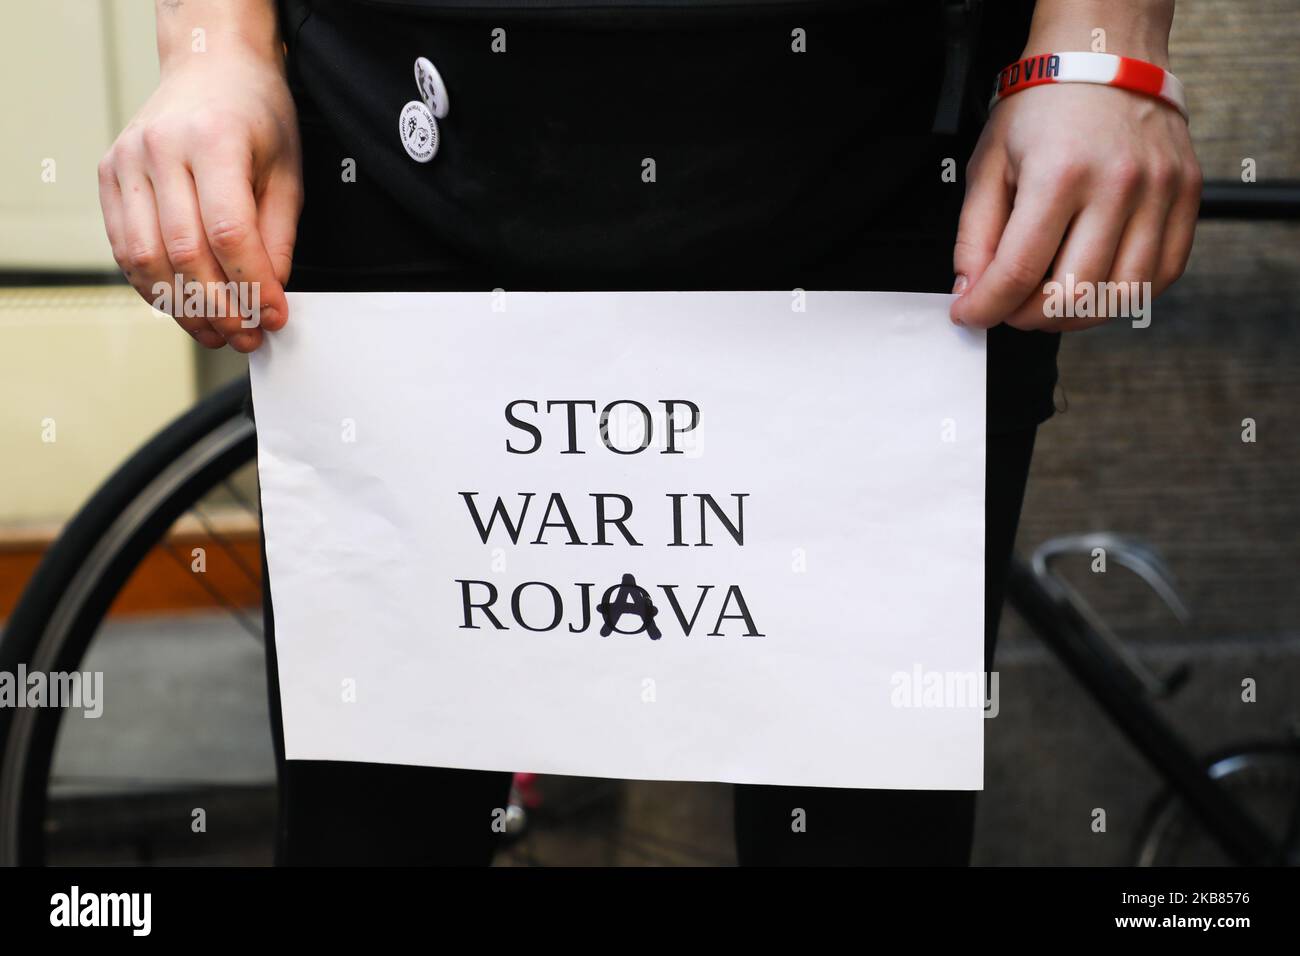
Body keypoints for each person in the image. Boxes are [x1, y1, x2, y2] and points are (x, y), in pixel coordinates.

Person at [98, 0, 1201, 865]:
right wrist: (212, 40)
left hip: (892, 142)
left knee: (866, 835)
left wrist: (1101, 35)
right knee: (376, 829)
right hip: (397, 133)